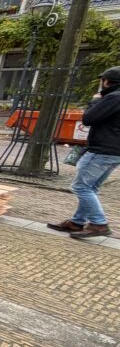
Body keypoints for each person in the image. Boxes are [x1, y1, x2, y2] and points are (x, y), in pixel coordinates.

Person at [48, 66, 120, 239]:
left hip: (102, 150)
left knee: (81, 186)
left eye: (102, 81)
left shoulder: (113, 98)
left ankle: (98, 223)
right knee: (91, 187)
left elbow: (88, 119)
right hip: (114, 152)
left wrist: (95, 101)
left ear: (108, 82)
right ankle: (77, 222)